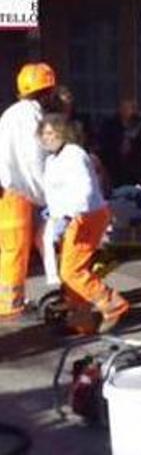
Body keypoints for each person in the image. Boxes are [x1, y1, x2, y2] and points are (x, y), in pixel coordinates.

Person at [39, 113, 130, 334]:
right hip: (69, 218)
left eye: (52, 133)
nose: (47, 138)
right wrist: (52, 212)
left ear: (63, 133)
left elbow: (86, 189)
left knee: (72, 271)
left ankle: (112, 303)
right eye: (43, 134)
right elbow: (55, 191)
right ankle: (82, 321)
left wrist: (69, 216)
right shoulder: (52, 159)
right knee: (69, 269)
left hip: (86, 217)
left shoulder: (74, 154)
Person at [0, 62, 56, 321]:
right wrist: (47, 194)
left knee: (14, 248)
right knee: (15, 250)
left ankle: (13, 300)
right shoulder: (31, 117)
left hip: (10, 191)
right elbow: (34, 160)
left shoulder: (11, 114)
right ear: (45, 91)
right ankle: (10, 304)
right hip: (15, 192)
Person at [98, 98, 141, 188]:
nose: (129, 111)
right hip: (114, 166)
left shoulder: (140, 124)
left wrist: (134, 143)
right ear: (120, 109)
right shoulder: (109, 124)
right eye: (126, 108)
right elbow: (104, 143)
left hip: (134, 168)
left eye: (132, 108)